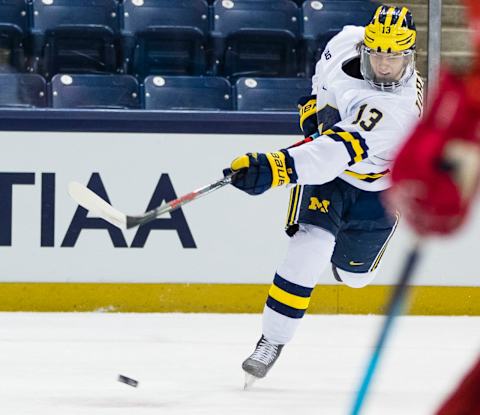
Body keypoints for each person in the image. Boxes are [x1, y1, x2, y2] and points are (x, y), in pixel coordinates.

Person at [222, 5, 424, 387]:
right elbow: (323, 80)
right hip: (329, 182)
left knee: (354, 279)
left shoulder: (398, 111)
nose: (383, 65)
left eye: (393, 57)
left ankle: (347, 261)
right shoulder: (344, 41)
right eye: (377, 53)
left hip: (377, 190)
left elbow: (329, 154)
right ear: (365, 46)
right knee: (307, 250)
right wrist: (316, 110)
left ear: (409, 57)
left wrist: (275, 168)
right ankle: (271, 341)